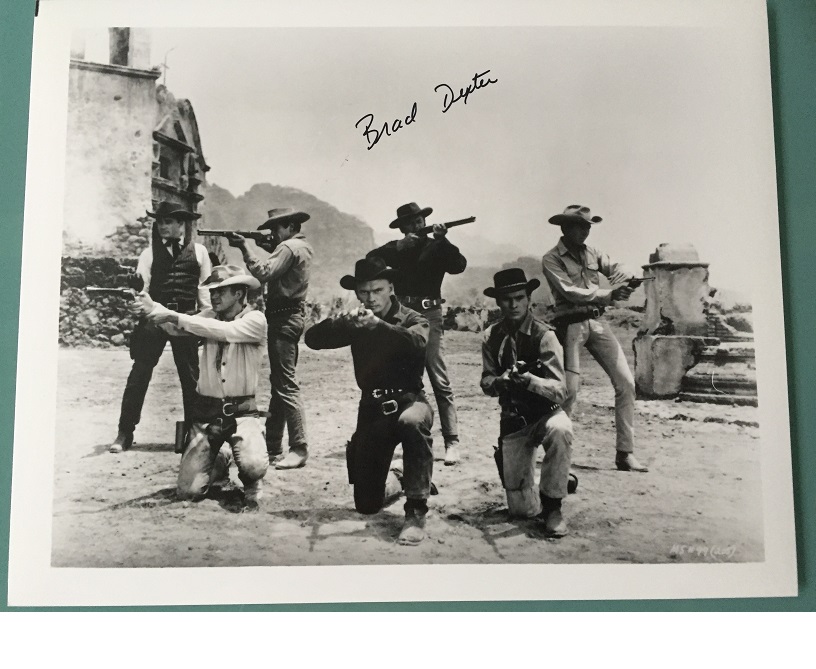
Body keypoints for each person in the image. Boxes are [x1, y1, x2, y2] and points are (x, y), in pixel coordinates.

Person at [304, 257, 434, 546]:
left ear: (391, 288)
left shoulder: (414, 319)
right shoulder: (359, 321)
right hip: (372, 413)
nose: (370, 298)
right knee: (366, 505)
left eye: (377, 290)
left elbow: (417, 344)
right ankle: (402, 479)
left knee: (412, 424)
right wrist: (340, 321)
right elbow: (312, 339)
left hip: (410, 402)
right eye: (364, 292)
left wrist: (378, 326)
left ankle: (416, 510)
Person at [136, 265, 269, 509]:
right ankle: (220, 459)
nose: (214, 296)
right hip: (207, 414)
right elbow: (177, 328)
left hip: (242, 413)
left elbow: (223, 331)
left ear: (239, 294)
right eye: (212, 291)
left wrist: (171, 314)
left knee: (254, 465)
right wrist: (151, 309)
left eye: (221, 291)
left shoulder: (255, 320)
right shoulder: (208, 316)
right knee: (188, 492)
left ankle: (251, 479)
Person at [541, 204, 648, 472]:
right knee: (570, 392)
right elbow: (569, 292)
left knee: (626, 383)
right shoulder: (551, 258)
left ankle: (625, 453)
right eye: (582, 225)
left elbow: (614, 268)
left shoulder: (593, 253)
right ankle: (558, 451)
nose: (587, 231)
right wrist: (609, 295)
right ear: (565, 228)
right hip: (569, 325)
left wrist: (627, 278)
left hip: (596, 321)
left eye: (589, 226)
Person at [366, 202, 466, 465]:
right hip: (402, 317)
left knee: (438, 377)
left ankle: (452, 441)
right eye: (409, 224)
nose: (416, 226)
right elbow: (370, 261)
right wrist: (400, 248)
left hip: (430, 316)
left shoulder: (437, 246)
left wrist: (443, 241)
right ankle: (400, 439)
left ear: (424, 222)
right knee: (399, 377)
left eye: (418, 221)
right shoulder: (394, 250)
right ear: (402, 229)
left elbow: (458, 265)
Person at [109, 201, 212, 453]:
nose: (163, 226)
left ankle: (194, 433)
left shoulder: (200, 252)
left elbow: (205, 293)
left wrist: (201, 321)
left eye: (168, 221)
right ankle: (125, 432)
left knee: (191, 378)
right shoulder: (148, 254)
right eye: (160, 222)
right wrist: (145, 310)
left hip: (185, 319)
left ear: (181, 224)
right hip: (154, 319)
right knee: (139, 375)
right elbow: (140, 292)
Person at [481, 268, 574, 536]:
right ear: (498, 302)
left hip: (546, 413)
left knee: (561, 429)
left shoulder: (545, 336)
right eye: (506, 299)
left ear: (528, 298)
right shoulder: (490, 336)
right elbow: (486, 382)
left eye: (519, 298)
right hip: (513, 420)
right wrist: (500, 381)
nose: (513, 304)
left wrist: (530, 381)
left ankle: (554, 505)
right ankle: (559, 479)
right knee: (521, 512)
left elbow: (560, 392)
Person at [227, 208, 313, 470]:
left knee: (285, 384)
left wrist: (245, 248)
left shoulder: (288, 247)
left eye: (276, 228)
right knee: (279, 382)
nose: (273, 233)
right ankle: (274, 445)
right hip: (288, 317)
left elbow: (263, 272)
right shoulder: (299, 246)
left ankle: (299, 447)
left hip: (284, 317)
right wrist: (266, 246)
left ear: (289, 226)